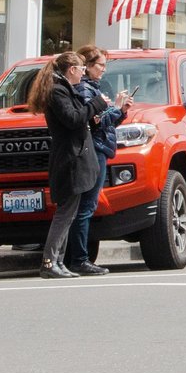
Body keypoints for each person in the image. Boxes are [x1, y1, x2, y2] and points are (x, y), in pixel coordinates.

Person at [27, 51, 108, 279]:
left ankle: (59, 261)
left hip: (74, 157)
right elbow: (73, 119)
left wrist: (94, 112)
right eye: (82, 69)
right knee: (65, 213)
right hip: (68, 159)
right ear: (72, 70)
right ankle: (49, 261)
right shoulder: (58, 90)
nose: (83, 73)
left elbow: (79, 116)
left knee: (70, 213)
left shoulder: (64, 89)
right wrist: (97, 104)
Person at [64, 45, 133, 276]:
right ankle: (79, 258)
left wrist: (120, 111)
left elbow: (103, 121)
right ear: (87, 67)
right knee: (85, 206)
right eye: (100, 65)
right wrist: (116, 108)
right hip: (94, 149)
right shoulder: (85, 89)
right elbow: (96, 121)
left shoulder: (91, 88)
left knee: (85, 206)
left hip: (99, 148)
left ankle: (78, 257)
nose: (104, 69)